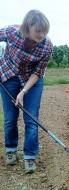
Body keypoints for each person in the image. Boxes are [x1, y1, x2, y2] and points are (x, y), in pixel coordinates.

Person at [0, 10, 52, 173]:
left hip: (31, 80)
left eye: (45, 31)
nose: (42, 34)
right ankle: (11, 150)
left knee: (31, 118)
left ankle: (29, 157)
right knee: (10, 118)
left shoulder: (47, 46)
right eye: (38, 30)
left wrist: (23, 92)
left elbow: (38, 72)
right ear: (27, 27)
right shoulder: (12, 32)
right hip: (9, 75)